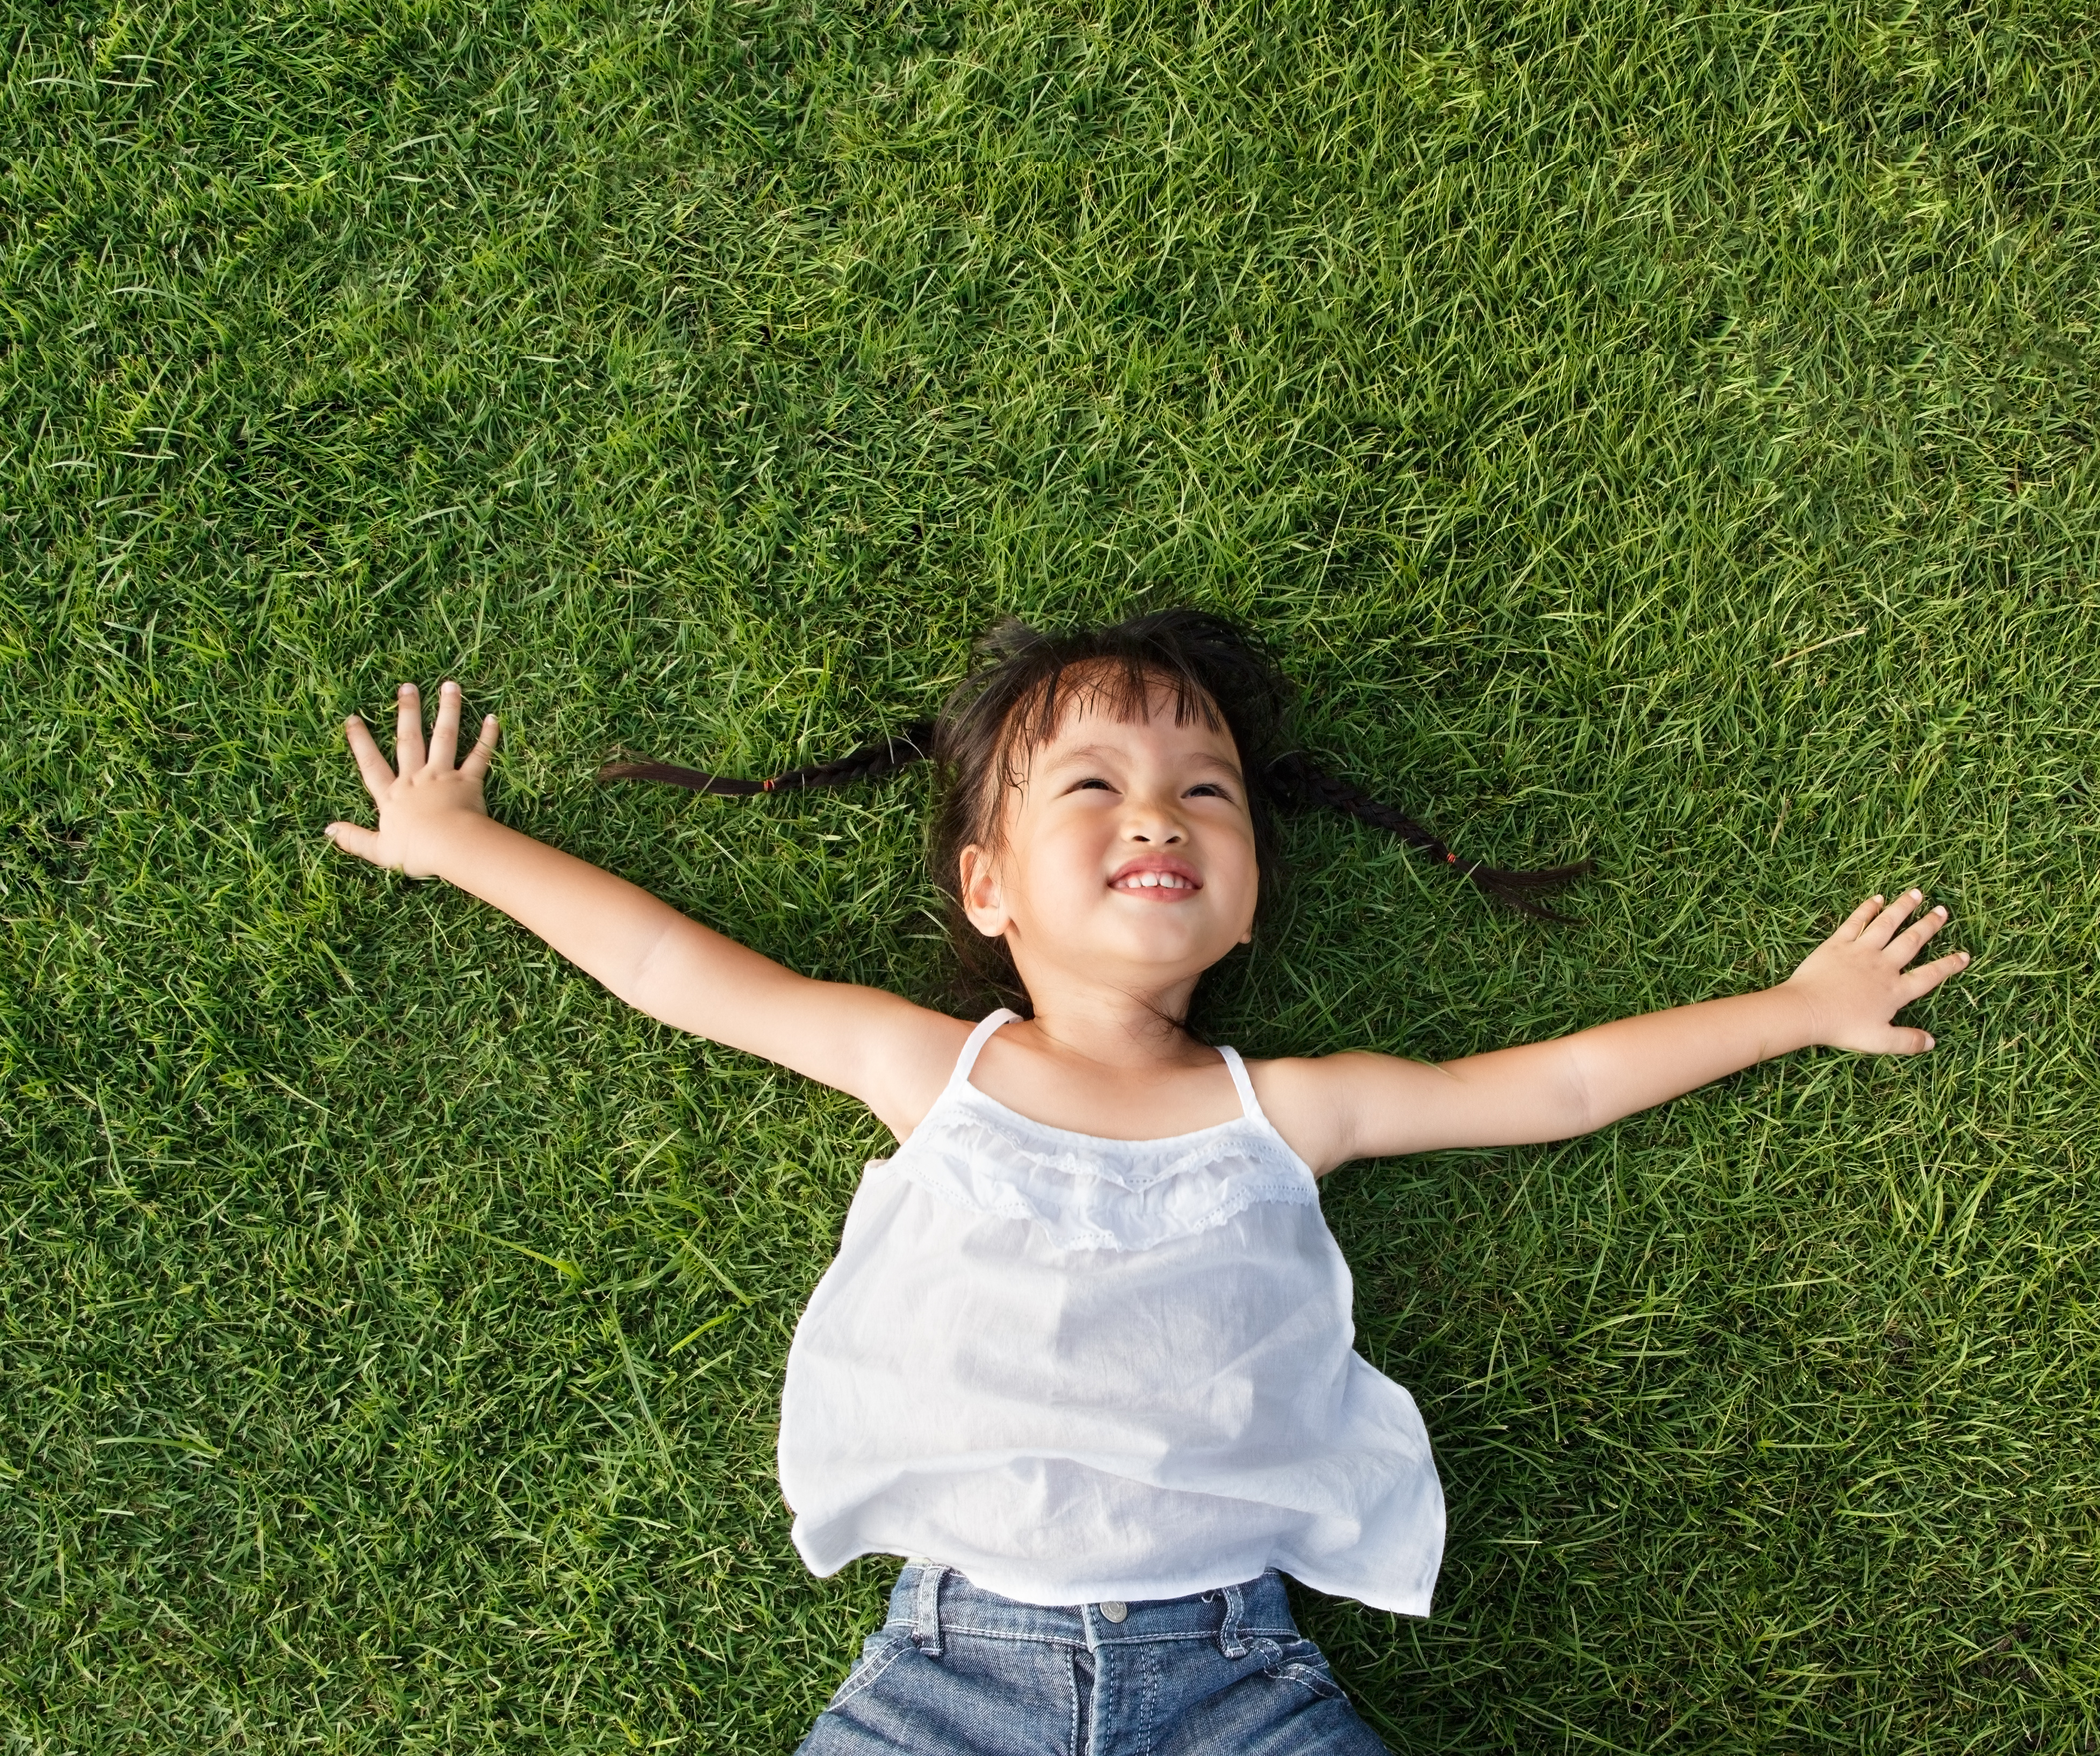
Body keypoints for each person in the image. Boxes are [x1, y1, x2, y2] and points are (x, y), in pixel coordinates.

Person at [323, 608, 1969, 1755]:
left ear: (1246, 903)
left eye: (1203, 793)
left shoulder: (1288, 1109)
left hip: (1235, 1678)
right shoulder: (934, 1072)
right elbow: (677, 966)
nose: (1153, 814)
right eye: (1090, 786)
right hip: (945, 1681)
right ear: (988, 888)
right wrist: (458, 838)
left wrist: (1791, 1012)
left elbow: (1551, 1085)